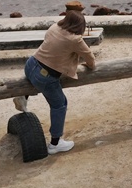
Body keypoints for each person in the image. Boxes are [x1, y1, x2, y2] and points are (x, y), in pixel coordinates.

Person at [16, 9, 96, 154]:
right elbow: (89, 56)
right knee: (60, 104)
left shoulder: (54, 27)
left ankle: (23, 96)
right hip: (45, 76)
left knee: (33, 81)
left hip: (30, 64)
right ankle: (55, 143)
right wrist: (91, 66)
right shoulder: (75, 39)